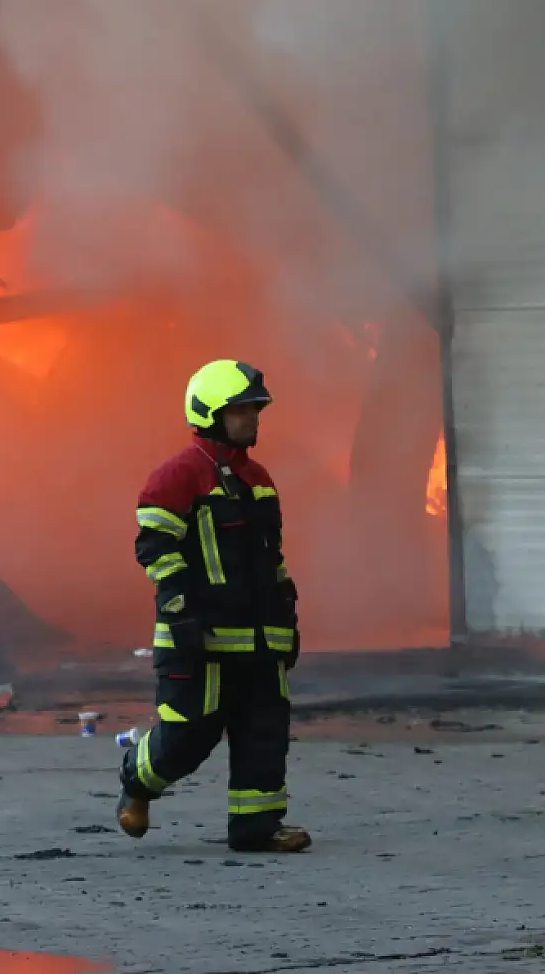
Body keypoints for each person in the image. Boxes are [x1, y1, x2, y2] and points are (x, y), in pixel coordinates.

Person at [116, 360, 311, 853]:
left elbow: (271, 560)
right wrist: (180, 611)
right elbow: (156, 549)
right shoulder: (179, 476)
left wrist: (287, 621)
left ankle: (256, 828)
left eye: (255, 409)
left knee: (265, 733)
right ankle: (137, 779)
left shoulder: (259, 480)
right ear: (209, 413)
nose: (253, 419)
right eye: (241, 410)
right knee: (188, 738)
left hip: (261, 640)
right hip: (200, 638)